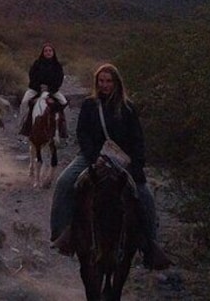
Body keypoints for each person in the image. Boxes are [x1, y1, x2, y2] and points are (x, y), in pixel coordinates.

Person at [49, 63, 170, 270]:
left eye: (108, 81)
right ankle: (63, 234)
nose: (104, 85)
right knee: (64, 182)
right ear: (97, 82)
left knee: (145, 196)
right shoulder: (89, 105)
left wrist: (138, 166)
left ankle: (150, 246)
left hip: (121, 159)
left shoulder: (127, 107)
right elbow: (83, 133)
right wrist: (93, 156)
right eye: (101, 81)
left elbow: (137, 139)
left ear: (116, 83)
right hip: (92, 157)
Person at [19, 43, 68, 137]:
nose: (48, 52)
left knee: (63, 102)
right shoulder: (37, 64)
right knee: (25, 101)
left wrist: (50, 89)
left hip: (52, 90)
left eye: (50, 51)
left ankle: (62, 128)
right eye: (46, 51)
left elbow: (59, 79)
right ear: (43, 52)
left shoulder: (57, 66)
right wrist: (39, 87)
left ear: (53, 52)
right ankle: (23, 125)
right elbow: (32, 76)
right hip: (36, 89)